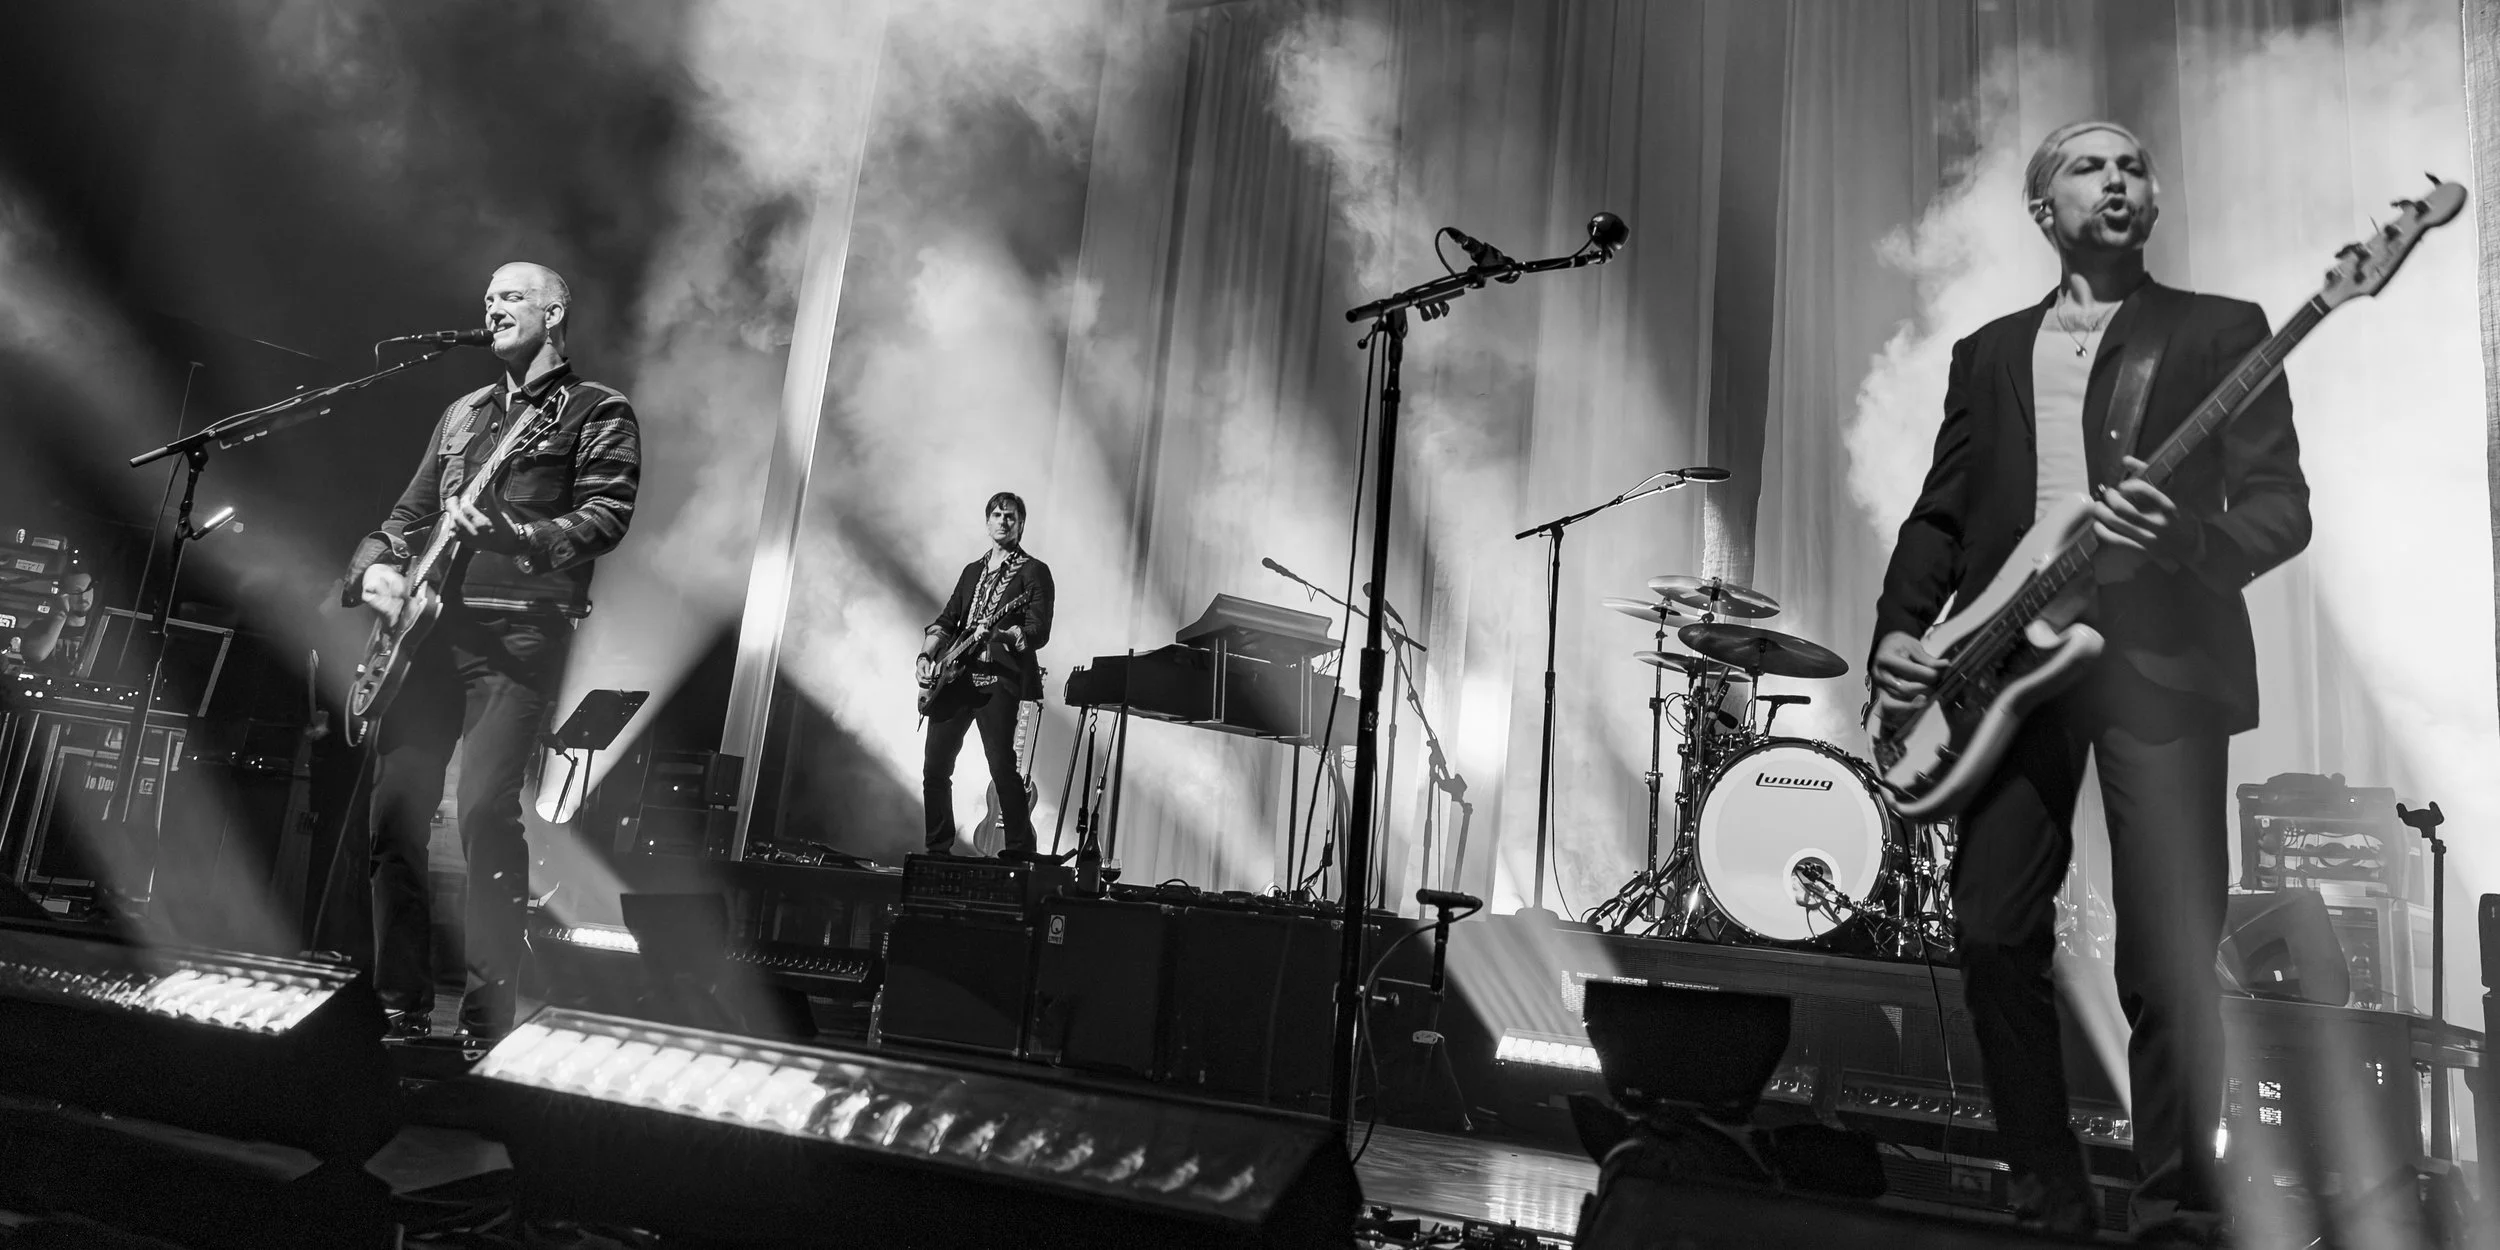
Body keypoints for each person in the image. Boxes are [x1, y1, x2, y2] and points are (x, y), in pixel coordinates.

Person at [1868, 122, 2309, 1244]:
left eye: (2133, 166)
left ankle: (2172, 1211)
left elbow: (2278, 508)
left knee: (2164, 954)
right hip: (2011, 665)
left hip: (2160, 668)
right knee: (1989, 927)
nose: (2116, 179)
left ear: (2152, 199)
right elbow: (1945, 509)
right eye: (2087, 166)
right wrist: (1899, 629)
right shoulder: (1989, 349)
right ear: (2041, 208)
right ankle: (2043, 1194)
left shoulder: (2219, 331)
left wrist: (2185, 541)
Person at [345, 261, 640, 1041]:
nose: (492, 305)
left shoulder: (595, 410)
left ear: (555, 312)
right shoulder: (465, 411)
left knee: (482, 814)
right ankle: (398, 1004)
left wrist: (519, 536)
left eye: (511, 295)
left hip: (516, 636)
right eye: (487, 297)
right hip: (425, 640)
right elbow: (406, 515)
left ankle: (487, 1013)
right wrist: (374, 565)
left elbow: (608, 515)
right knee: (393, 820)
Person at [918, 492, 1054, 861]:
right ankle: (937, 846)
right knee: (935, 767)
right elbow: (947, 621)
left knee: (1001, 764)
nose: (1003, 521)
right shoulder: (971, 572)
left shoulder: (1033, 572)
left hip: (997, 678)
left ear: (1021, 524)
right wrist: (926, 656)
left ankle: (1019, 849)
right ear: (987, 521)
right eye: (997, 515)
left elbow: (1038, 631)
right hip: (955, 678)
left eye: (1011, 516)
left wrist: (1001, 635)